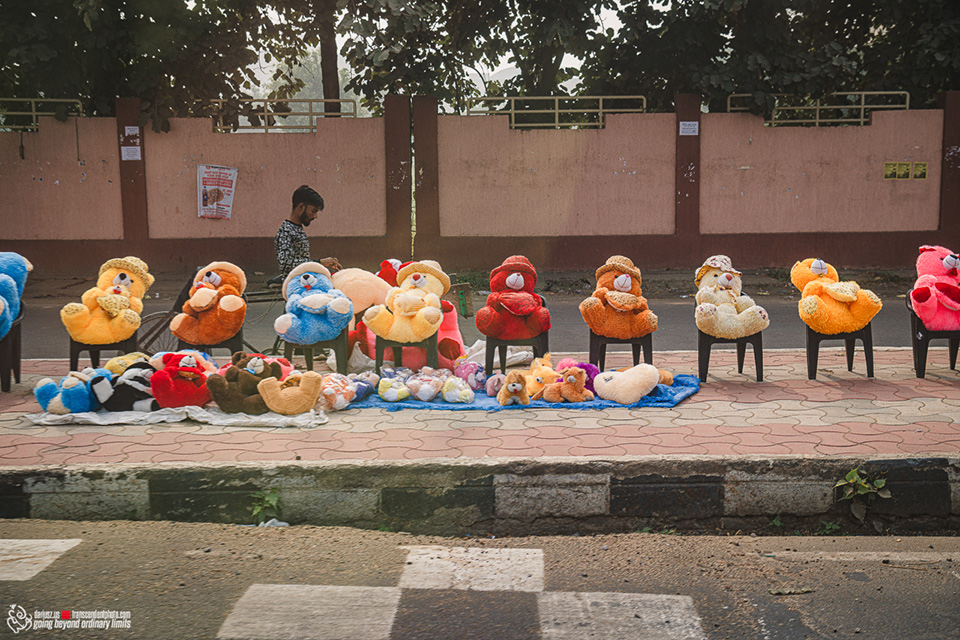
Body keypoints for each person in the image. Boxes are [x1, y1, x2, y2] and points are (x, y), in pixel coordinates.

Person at [274, 185, 341, 279]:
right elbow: (286, 264)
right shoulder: (285, 231)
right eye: (313, 211)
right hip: (295, 284)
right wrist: (319, 263)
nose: (315, 216)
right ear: (301, 207)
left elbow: (300, 260)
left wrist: (320, 263)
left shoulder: (296, 228)